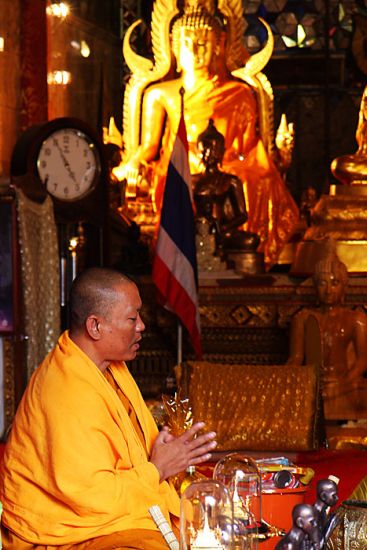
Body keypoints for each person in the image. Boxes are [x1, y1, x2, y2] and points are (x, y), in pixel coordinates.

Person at [1, 267, 217, 549]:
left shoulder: (109, 367)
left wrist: (160, 447)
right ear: (95, 326)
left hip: (115, 512)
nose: (141, 325)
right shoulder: (66, 390)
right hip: (71, 530)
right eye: (131, 317)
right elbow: (90, 498)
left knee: (217, 513)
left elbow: (129, 447)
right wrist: (158, 468)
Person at [118, 2, 299, 266]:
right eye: (188, 42)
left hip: (225, 166)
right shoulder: (160, 93)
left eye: (203, 43)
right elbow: (149, 146)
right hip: (179, 165)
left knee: (253, 178)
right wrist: (129, 165)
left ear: (219, 45)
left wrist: (251, 164)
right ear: (175, 47)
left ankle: (242, 250)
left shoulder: (239, 93)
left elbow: (248, 149)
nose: (195, 49)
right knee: (178, 182)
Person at [287, 244, 367, 384]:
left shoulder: (357, 319)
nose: (328, 290)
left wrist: (342, 384)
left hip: (345, 383)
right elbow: (296, 358)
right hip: (312, 383)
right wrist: (285, 378)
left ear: (344, 287)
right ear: (315, 287)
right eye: (322, 283)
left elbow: (363, 361)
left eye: (335, 283)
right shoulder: (303, 318)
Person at [192, 119, 259, 258]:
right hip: (198, 231)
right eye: (204, 149)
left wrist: (223, 228)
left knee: (251, 240)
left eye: (213, 149)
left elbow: (242, 215)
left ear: (221, 151)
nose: (208, 153)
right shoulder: (191, 180)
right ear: (198, 151)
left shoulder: (230, 181)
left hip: (223, 232)